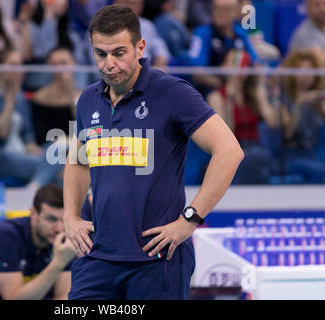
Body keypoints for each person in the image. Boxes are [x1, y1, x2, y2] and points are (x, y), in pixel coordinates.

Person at [63, 5, 244, 300]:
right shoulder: (87, 100)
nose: (109, 63)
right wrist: (70, 216)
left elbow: (229, 151)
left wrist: (190, 219)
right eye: (100, 53)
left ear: (140, 47)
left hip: (157, 260)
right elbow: (78, 162)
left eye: (119, 52)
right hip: (97, 259)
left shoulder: (173, 93)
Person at [0, 49, 64, 189]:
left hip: (20, 152)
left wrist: (42, 154)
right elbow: (1, 132)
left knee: (59, 150)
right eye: (13, 64)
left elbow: (27, 138)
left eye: (21, 65)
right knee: (57, 169)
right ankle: (35, 192)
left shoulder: (20, 97)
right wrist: (9, 100)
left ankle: (34, 188)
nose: (19, 70)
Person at [206, 50, 279, 184]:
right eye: (232, 63)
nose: (237, 69)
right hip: (232, 150)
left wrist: (260, 89)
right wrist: (229, 100)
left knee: (259, 157)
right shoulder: (216, 97)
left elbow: (273, 122)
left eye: (242, 64)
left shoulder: (251, 94)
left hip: (255, 148)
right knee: (255, 157)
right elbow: (226, 134)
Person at [187, 0, 258, 96]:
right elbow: (197, 73)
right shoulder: (203, 32)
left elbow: (256, 64)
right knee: (216, 98)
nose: (220, 13)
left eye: (226, 10)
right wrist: (224, 87)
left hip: (239, 90)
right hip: (210, 93)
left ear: (236, 12)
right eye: (217, 9)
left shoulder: (240, 34)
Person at [279, 49, 325, 183]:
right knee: (319, 170)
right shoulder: (285, 99)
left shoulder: (318, 99)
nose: (305, 74)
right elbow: (288, 132)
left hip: (315, 153)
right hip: (293, 155)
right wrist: (298, 104)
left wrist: (321, 105)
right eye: (300, 69)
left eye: (309, 70)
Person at [30, 46, 79, 146]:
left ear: (73, 64)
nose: (59, 69)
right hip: (49, 148)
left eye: (63, 63)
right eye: (54, 64)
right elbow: (38, 134)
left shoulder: (85, 95)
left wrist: (71, 95)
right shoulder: (40, 96)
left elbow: (84, 127)